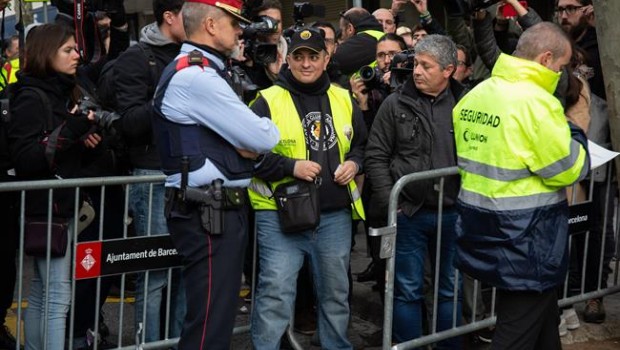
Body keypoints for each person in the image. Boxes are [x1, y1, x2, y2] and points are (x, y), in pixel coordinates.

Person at [151, 0, 280, 348]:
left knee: (214, 319)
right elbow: (265, 137)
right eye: (234, 23)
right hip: (208, 214)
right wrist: (246, 135)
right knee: (209, 325)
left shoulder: (204, 71)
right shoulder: (197, 76)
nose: (240, 31)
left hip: (215, 211)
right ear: (210, 24)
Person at [452, 22, 590, 349]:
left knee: (541, 325)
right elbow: (570, 169)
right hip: (528, 241)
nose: (561, 75)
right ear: (545, 59)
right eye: (560, 67)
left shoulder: (478, 93)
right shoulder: (536, 104)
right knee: (515, 334)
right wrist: (576, 130)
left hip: (484, 228)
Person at [248, 28, 367, 350]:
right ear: (287, 59)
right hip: (279, 217)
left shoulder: (344, 97)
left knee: (336, 294)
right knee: (275, 294)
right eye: (298, 56)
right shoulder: (266, 101)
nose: (305, 63)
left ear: (326, 59)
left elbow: (360, 147)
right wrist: (290, 167)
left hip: (333, 217)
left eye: (313, 56)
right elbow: (246, 156)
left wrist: (354, 165)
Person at [364, 34, 465, 348]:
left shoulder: (466, 103)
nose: (417, 71)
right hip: (410, 213)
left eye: (426, 66)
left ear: (448, 70)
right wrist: (391, 202)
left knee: (449, 288)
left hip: (453, 212)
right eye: (416, 64)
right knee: (407, 290)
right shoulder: (395, 103)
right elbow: (376, 155)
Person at [8, 23, 102, 350]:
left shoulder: (60, 91)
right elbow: (27, 157)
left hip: (59, 205)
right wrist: (72, 129)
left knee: (42, 291)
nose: (77, 55)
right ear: (47, 53)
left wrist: (81, 134)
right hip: (47, 207)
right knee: (56, 296)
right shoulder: (32, 97)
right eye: (68, 50)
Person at [112, 0, 187, 343]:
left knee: (185, 269)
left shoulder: (197, 53)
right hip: (152, 175)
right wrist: (171, 89)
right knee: (154, 273)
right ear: (169, 17)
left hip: (191, 174)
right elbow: (129, 123)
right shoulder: (137, 57)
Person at [556, 0, 614, 324]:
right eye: (560, 9)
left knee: (595, 230)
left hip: (597, 154)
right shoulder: (557, 43)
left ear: (589, 9)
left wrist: (597, 27)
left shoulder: (602, 40)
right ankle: (566, 298)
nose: (565, 15)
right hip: (565, 156)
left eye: (571, 8)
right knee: (566, 230)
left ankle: (593, 295)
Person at [333, 7, 384, 77]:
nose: (342, 36)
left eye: (342, 31)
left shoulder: (362, 42)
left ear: (350, 29)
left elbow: (328, 63)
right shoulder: (384, 36)